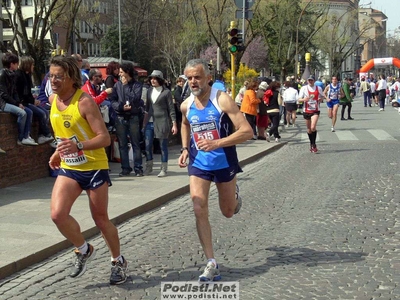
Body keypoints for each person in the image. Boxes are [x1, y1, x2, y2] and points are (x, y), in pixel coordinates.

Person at [47, 55, 127, 285]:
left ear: (72, 78)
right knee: (57, 214)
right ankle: (83, 249)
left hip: (93, 166)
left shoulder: (84, 102)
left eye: (58, 76)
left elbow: (104, 139)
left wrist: (79, 145)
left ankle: (117, 261)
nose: (53, 80)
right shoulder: (53, 101)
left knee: (101, 219)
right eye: (51, 76)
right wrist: (58, 152)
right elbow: (65, 135)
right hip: (70, 166)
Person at [178, 58, 253, 282]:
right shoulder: (186, 104)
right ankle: (211, 262)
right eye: (189, 78)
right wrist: (185, 148)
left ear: (208, 78)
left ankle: (234, 196)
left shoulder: (222, 100)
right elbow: (185, 123)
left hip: (224, 162)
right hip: (199, 163)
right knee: (198, 205)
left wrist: (217, 143)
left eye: (197, 77)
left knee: (228, 211)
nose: (193, 81)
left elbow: (247, 131)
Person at [109, 62, 144, 177]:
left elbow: (136, 99)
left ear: (127, 72)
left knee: (135, 143)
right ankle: (125, 168)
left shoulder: (137, 85)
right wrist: (119, 107)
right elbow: (112, 100)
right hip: (121, 116)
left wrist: (126, 86)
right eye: (119, 73)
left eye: (122, 72)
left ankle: (138, 168)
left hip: (133, 116)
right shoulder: (117, 85)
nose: (120, 75)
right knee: (122, 144)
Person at [143, 70, 177, 177]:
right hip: (150, 121)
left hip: (162, 121)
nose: (152, 80)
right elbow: (147, 108)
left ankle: (164, 168)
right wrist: (144, 122)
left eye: (155, 78)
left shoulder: (166, 92)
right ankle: (149, 166)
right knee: (148, 145)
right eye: (151, 78)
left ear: (160, 80)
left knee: (163, 146)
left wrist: (174, 123)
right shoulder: (149, 91)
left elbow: (171, 109)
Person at [0, 52, 38, 146]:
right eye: (16, 63)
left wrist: (18, 103)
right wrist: (16, 104)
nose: (18, 65)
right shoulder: (2, 75)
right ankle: (20, 138)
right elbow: (3, 94)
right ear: (12, 64)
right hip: (3, 103)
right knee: (22, 113)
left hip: (11, 101)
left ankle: (26, 136)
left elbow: (15, 92)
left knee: (28, 112)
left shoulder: (12, 74)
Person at [15, 56, 54, 144]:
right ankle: (45, 134)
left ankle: (42, 135)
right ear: (27, 65)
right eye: (32, 65)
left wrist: (33, 99)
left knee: (45, 112)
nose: (33, 67)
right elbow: (20, 93)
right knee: (39, 113)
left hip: (28, 101)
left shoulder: (28, 75)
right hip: (23, 102)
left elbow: (28, 92)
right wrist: (32, 101)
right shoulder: (19, 75)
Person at [298, 75, 325, 153]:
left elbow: (323, 96)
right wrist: (304, 99)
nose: (310, 81)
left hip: (315, 110)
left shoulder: (318, 88)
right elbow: (299, 99)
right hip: (306, 110)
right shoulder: (304, 88)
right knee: (309, 129)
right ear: (307, 81)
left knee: (313, 127)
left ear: (314, 81)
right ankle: (311, 143)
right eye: (309, 80)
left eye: (311, 80)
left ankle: (314, 144)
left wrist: (320, 99)